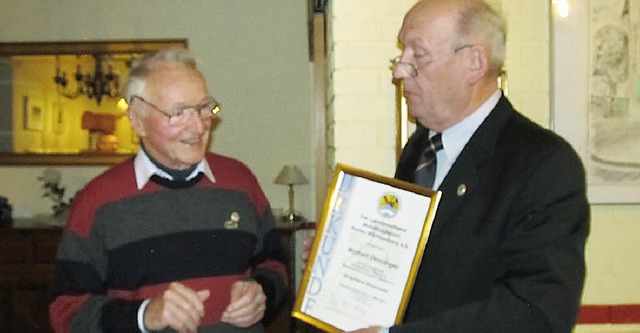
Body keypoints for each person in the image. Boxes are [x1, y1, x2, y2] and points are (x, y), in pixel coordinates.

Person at [304, 1, 590, 332]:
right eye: (402, 54)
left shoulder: (544, 164)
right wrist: (344, 255)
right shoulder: (420, 150)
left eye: (418, 55)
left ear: (475, 62)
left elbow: (535, 313)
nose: (399, 71)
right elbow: (421, 265)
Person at [49, 48, 289, 333]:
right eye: (178, 113)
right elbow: (66, 311)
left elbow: (276, 262)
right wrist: (144, 315)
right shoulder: (98, 201)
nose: (198, 126)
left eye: (203, 107)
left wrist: (262, 292)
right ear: (138, 121)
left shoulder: (240, 181)